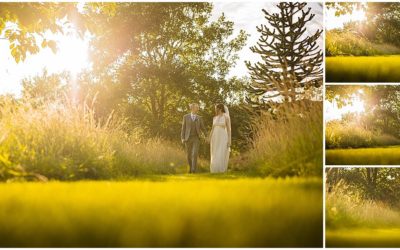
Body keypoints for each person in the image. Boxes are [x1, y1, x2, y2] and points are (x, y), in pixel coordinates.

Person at [181, 103, 206, 173]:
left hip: (196, 138)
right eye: (196, 107)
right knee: (189, 155)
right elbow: (183, 128)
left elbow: (203, 128)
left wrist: (206, 136)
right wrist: (182, 138)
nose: (198, 109)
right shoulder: (185, 117)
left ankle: (193, 170)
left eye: (198, 107)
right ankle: (190, 168)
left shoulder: (199, 118)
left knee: (194, 153)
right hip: (187, 138)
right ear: (192, 108)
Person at [209, 103, 231, 173]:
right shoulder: (214, 118)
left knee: (221, 151)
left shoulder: (226, 117)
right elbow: (212, 129)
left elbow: (228, 129)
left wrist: (229, 140)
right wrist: (209, 138)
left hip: (223, 136)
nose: (215, 109)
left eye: (216, 108)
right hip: (215, 137)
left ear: (220, 109)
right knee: (215, 152)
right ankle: (215, 168)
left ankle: (221, 169)